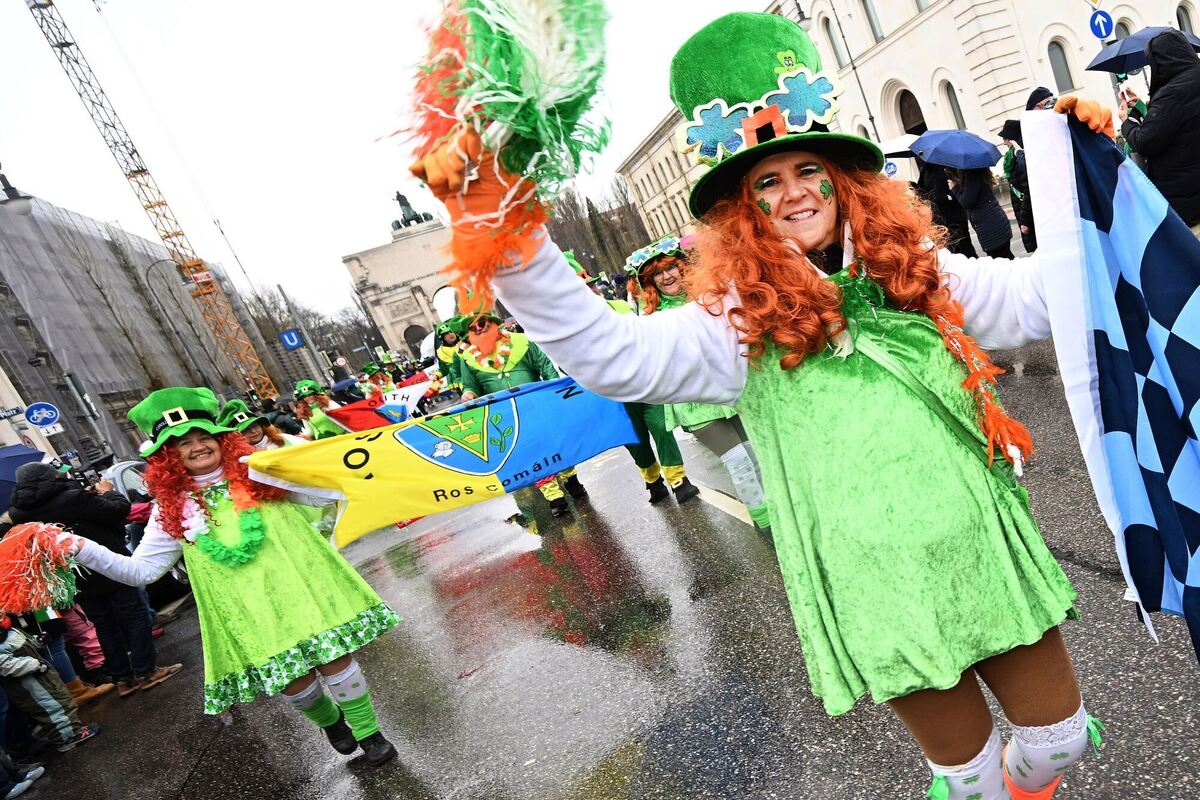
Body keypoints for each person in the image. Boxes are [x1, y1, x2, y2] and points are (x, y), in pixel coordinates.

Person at [414, 12, 1113, 798]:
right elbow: (612, 354)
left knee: (1058, 742)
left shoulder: (917, 274)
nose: (795, 193)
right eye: (767, 183)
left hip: (981, 547)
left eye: (808, 169)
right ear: (742, 210)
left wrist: (1075, 166)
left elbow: (1045, 296)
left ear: (843, 179)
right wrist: (507, 231)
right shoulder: (735, 324)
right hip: (880, 585)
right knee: (972, 782)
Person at [56, 387, 401, 765]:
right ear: (169, 455)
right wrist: (80, 547)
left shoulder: (260, 472)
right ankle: (331, 722)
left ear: (221, 440)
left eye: (204, 436)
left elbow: (322, 497)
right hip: (248, 609)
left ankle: (369, 731)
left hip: (302, 586)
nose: (197, 447)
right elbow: (142, 571)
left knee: (334, 658)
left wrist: (297, 471)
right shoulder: (170, 509)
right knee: (294, 680)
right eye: (184, 443)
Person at [8, 464, 181, 697]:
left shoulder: (19, 514)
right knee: (136, 615)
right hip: (109, 563)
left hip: (75, 573)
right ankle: (146, 671)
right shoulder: (72, 497)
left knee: (103, 625)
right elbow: (118, 511)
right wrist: (108, 492)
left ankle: (123, 679)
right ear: (50, 477)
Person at [624, 239, 759, 515]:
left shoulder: (708, 299)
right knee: (739, 463)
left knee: (756, 458)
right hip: (696, 404)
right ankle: (765, 523)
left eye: (670, 268)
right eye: (657, 274)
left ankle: (775, 519)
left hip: (731, 392)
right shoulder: (651, 321)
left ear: (682, 268)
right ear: (650, 283)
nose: (666, 276)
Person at [458, 311, 588, 517]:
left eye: (482, 323)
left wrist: (554, 389)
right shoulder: (468, 359)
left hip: (538, 406)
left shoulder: (522, 342)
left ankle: (570, 478)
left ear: (494, 323)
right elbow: (470, 385)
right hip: (507, 416)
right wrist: (468, 394)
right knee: (531, 454)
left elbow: (545, 366)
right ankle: (554, 497)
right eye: (473, 328)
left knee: (556, 445)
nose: (479, 329)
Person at [1119, 28, 1200, 233]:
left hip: (1186, 200)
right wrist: (1146, 107)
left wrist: (1126, 122)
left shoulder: (1171, 93)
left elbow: (1145, 142)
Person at [0, 619, 100, 753]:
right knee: (51, 707)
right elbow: (5, 665)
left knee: (60, 699)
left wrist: (37, 642)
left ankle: (70, 731)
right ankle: (68, 737)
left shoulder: (10, 631)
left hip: (40, 676)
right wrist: (34, 665)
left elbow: (25, 644)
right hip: (30, 682)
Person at [948, 166, 1014, 259]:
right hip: (995, 221)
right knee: (1006, 257)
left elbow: (966, 201)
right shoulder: (978, 170)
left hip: (990, 226)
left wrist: (954, 188)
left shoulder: (971, 174)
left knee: (1001, 260)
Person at [914, 157, 976, 257]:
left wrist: (946, 197)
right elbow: (923, 190)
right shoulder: (925, 170)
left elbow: (957, 186)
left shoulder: (945, 165)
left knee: (965, 248)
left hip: (955, 216)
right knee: (952, 251)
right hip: (940, 219)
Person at [999, 119, 1036, 253]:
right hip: (1023, 211)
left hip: (1031, 216)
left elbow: (1028, 191)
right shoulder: (1012, 157)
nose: (1004, 143)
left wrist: (1025, 221)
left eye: (1006, 139)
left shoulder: (1021, 158)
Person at [217, 399, 305, 450]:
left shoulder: (285, 438)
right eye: (246, 429)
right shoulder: (240, 460)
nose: (253, 431)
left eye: (254, 426)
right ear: (236, 436)